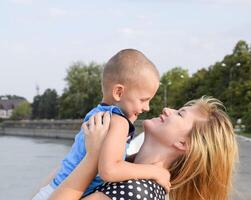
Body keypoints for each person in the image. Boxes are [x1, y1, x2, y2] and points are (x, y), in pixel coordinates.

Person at [32, 49, 171, 200]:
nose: (147, 107)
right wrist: (155, 171)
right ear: (118, 92)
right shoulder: (119, 122)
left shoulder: (97, 114)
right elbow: (110, 170)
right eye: (144, 99)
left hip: (53, 189)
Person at [49, 96, 238, 200]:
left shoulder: (136, 192)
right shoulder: (133, 175)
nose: (167, 110)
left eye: (180, 114)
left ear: (183, 143)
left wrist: (93, 156)